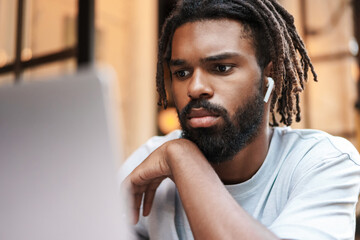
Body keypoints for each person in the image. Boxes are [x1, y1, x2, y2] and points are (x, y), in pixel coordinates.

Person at [121, 0, 360, 239]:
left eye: (221, 68)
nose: (195, 88)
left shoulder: (323, 161)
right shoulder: (150, 163)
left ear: (270, 75)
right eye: (182, 73)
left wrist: (184, 159)